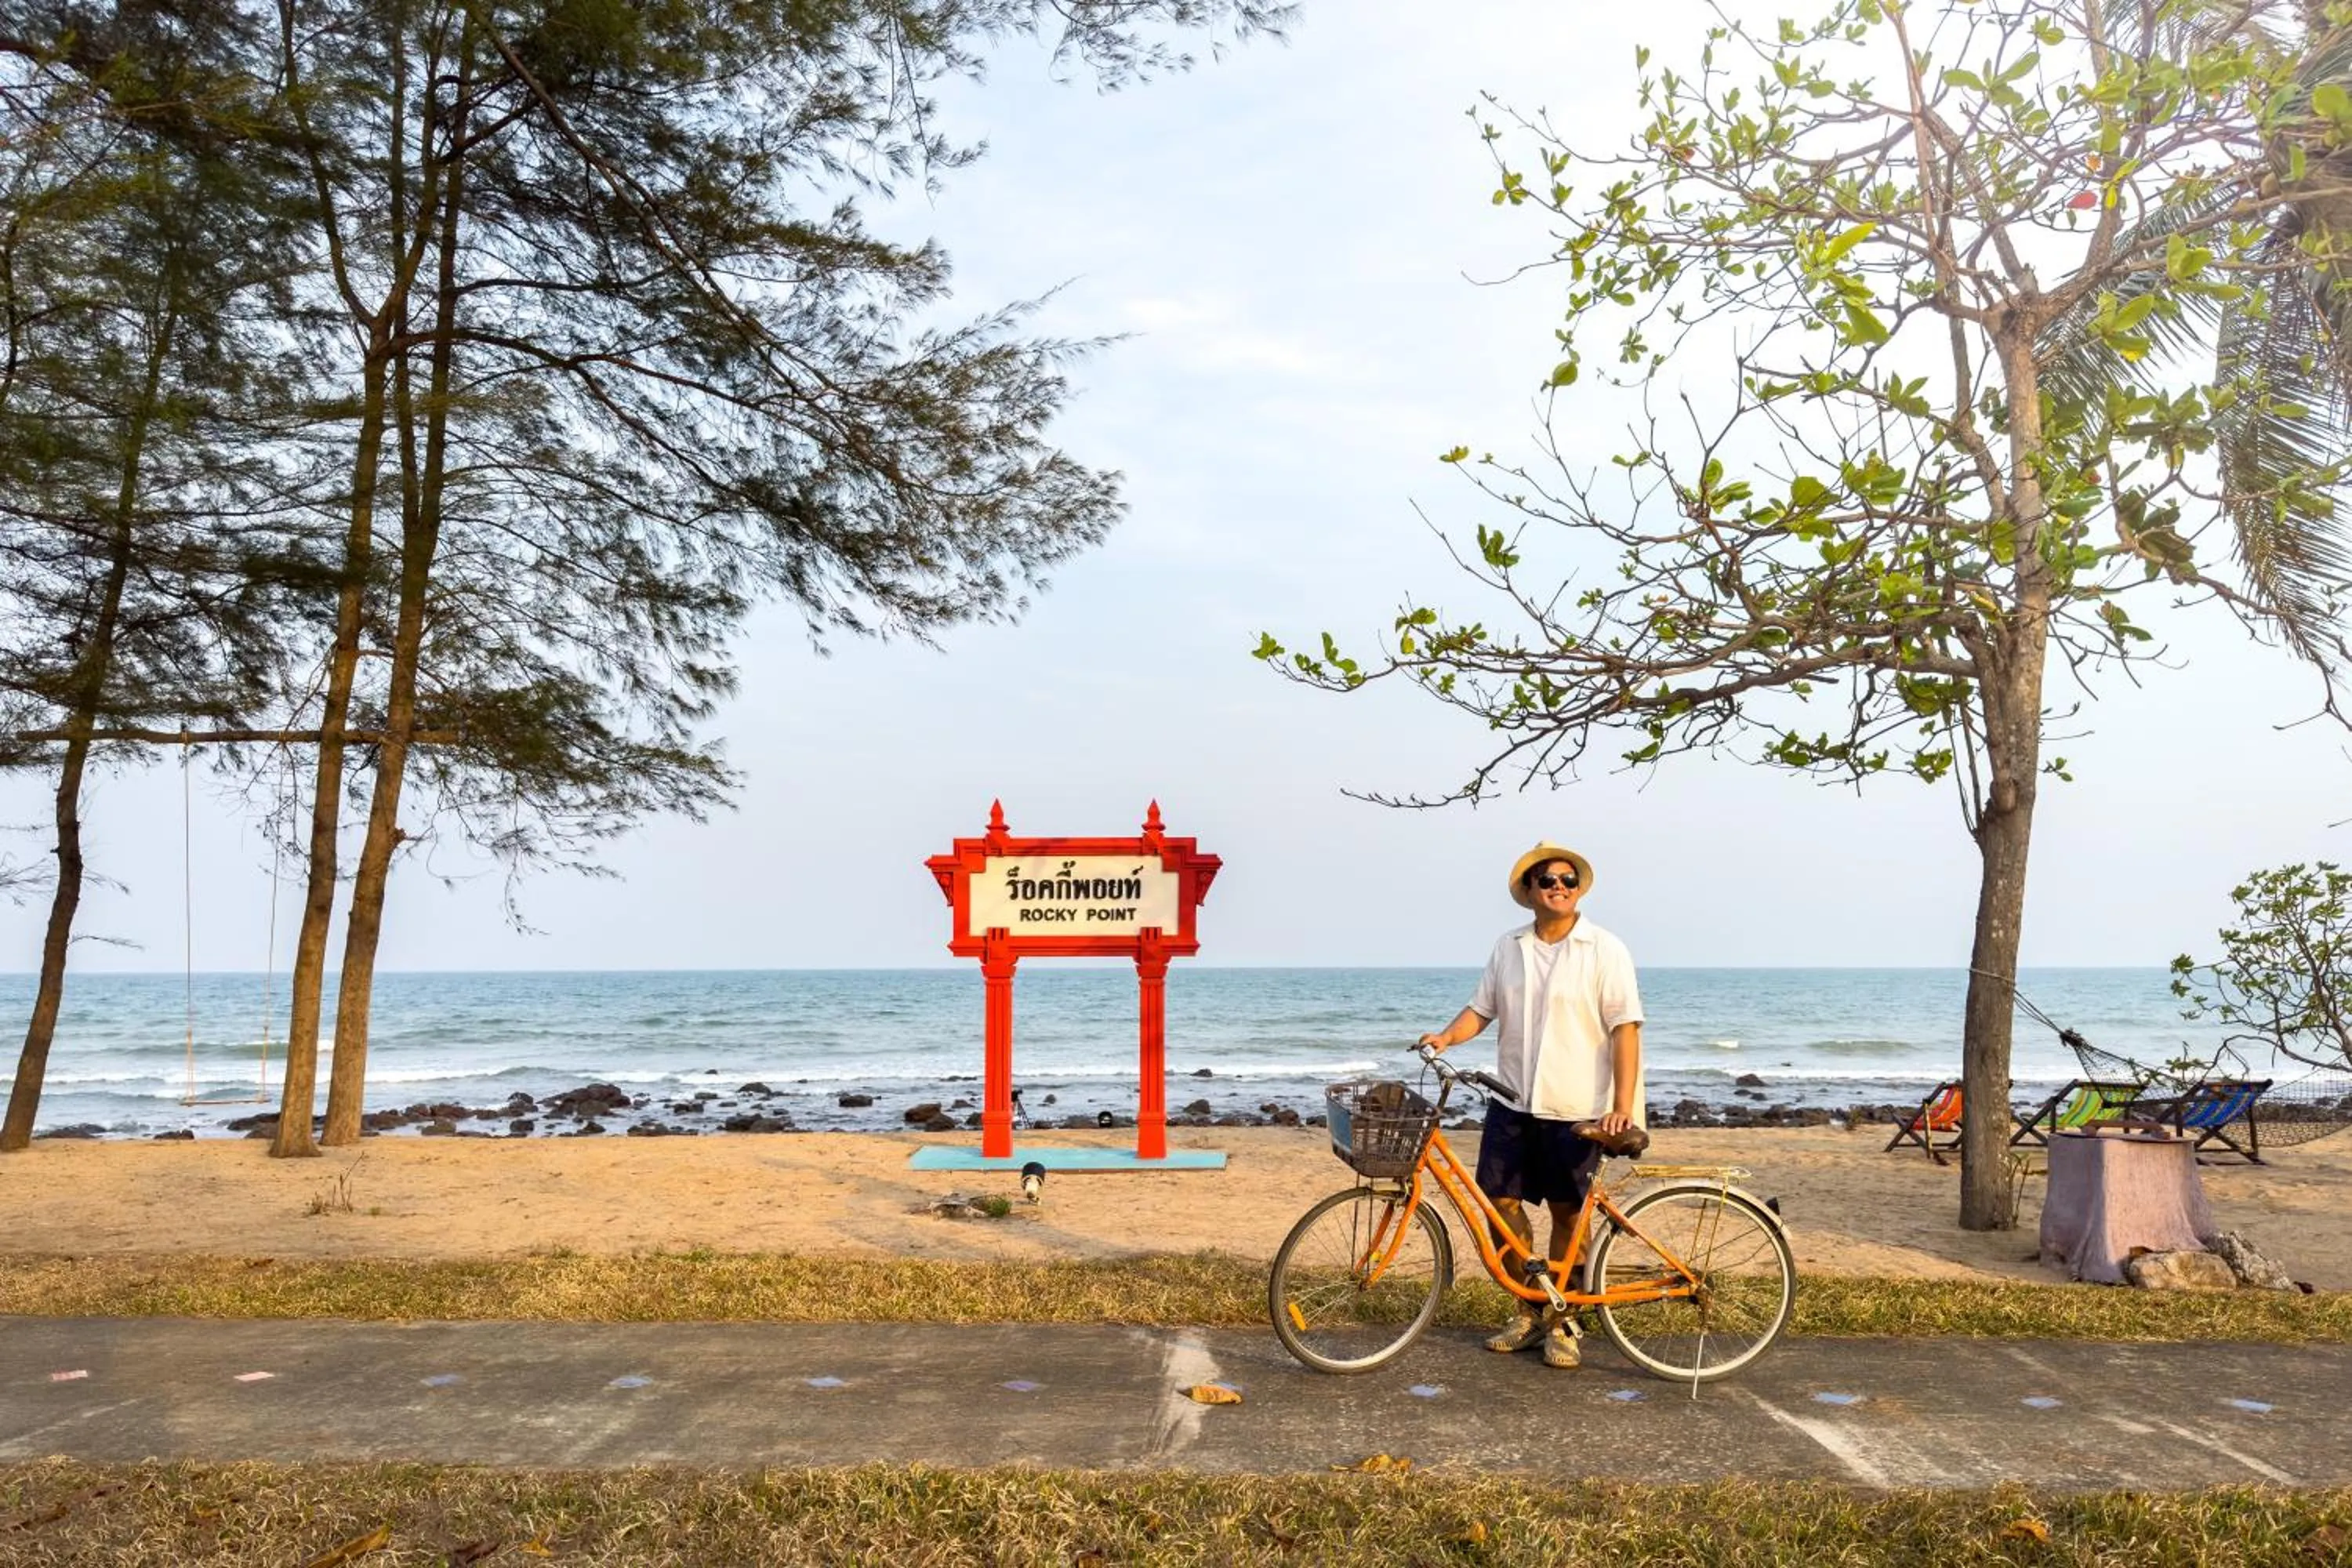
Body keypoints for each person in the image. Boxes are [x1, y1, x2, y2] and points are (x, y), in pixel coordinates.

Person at [1418, 842, 1643, 1370]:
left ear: (1579, 888)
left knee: (1569, 1214)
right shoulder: (1509, 947)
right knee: (1499, 1205)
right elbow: (1482, 1009)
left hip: (1576, 1106)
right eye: (1547, 880)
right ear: (1530, 891)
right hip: (1512, 1100)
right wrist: (1447, 1038)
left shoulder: (1604, 949)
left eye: (1568, 879)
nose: (1558, 887)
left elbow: (1625, 1028)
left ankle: (1563, 1320)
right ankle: (1528, 1308)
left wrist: (1622, 1106)